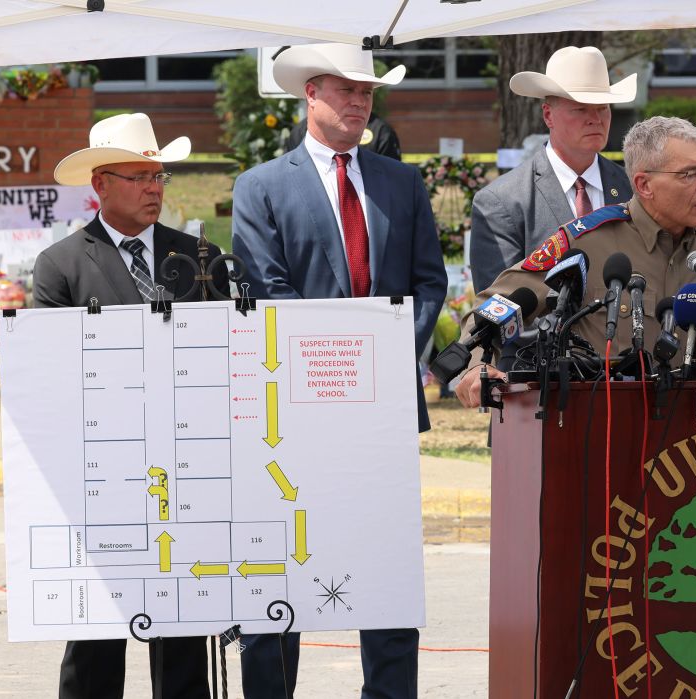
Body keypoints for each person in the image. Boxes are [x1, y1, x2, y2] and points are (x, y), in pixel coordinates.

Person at [230, 42, 447, 699]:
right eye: (346, 91)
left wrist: (382, 365)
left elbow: (427, 284)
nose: (360, 102)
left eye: (368, 92)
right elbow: (266, 290)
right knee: (281, 574)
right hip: (294, 417)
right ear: (311, 96)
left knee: (384, 576)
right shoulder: (262, 186)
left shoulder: (401, 182)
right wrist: (338, 375)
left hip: (383, 417)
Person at [33, 113, 226, 699]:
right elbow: (51, 373)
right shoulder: (62, 264)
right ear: (101, 184)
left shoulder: (200, 257)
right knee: (97, 636)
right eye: (139, 176)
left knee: (185, 631)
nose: (153, 188)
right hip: (106, 476)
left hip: (188, 471)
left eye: (159, 175)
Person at [456, 116, 696, 408]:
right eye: (690, 174)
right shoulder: (586, 242)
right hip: (609, 426)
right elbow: (495, 306)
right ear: (644, 185)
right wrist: (475, 367)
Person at [469, 45, 635, 292]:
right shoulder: (503, 201)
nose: (596, 119)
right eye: (581, 109)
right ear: (548, 115)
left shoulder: (633, 188)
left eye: (603, 108)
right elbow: (500, 307)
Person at [286, 113, 402, 160]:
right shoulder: (301, 130)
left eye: (366, 91)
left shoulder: (380, 130)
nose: (358, 100)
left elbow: (392, 179)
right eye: (346, 90)